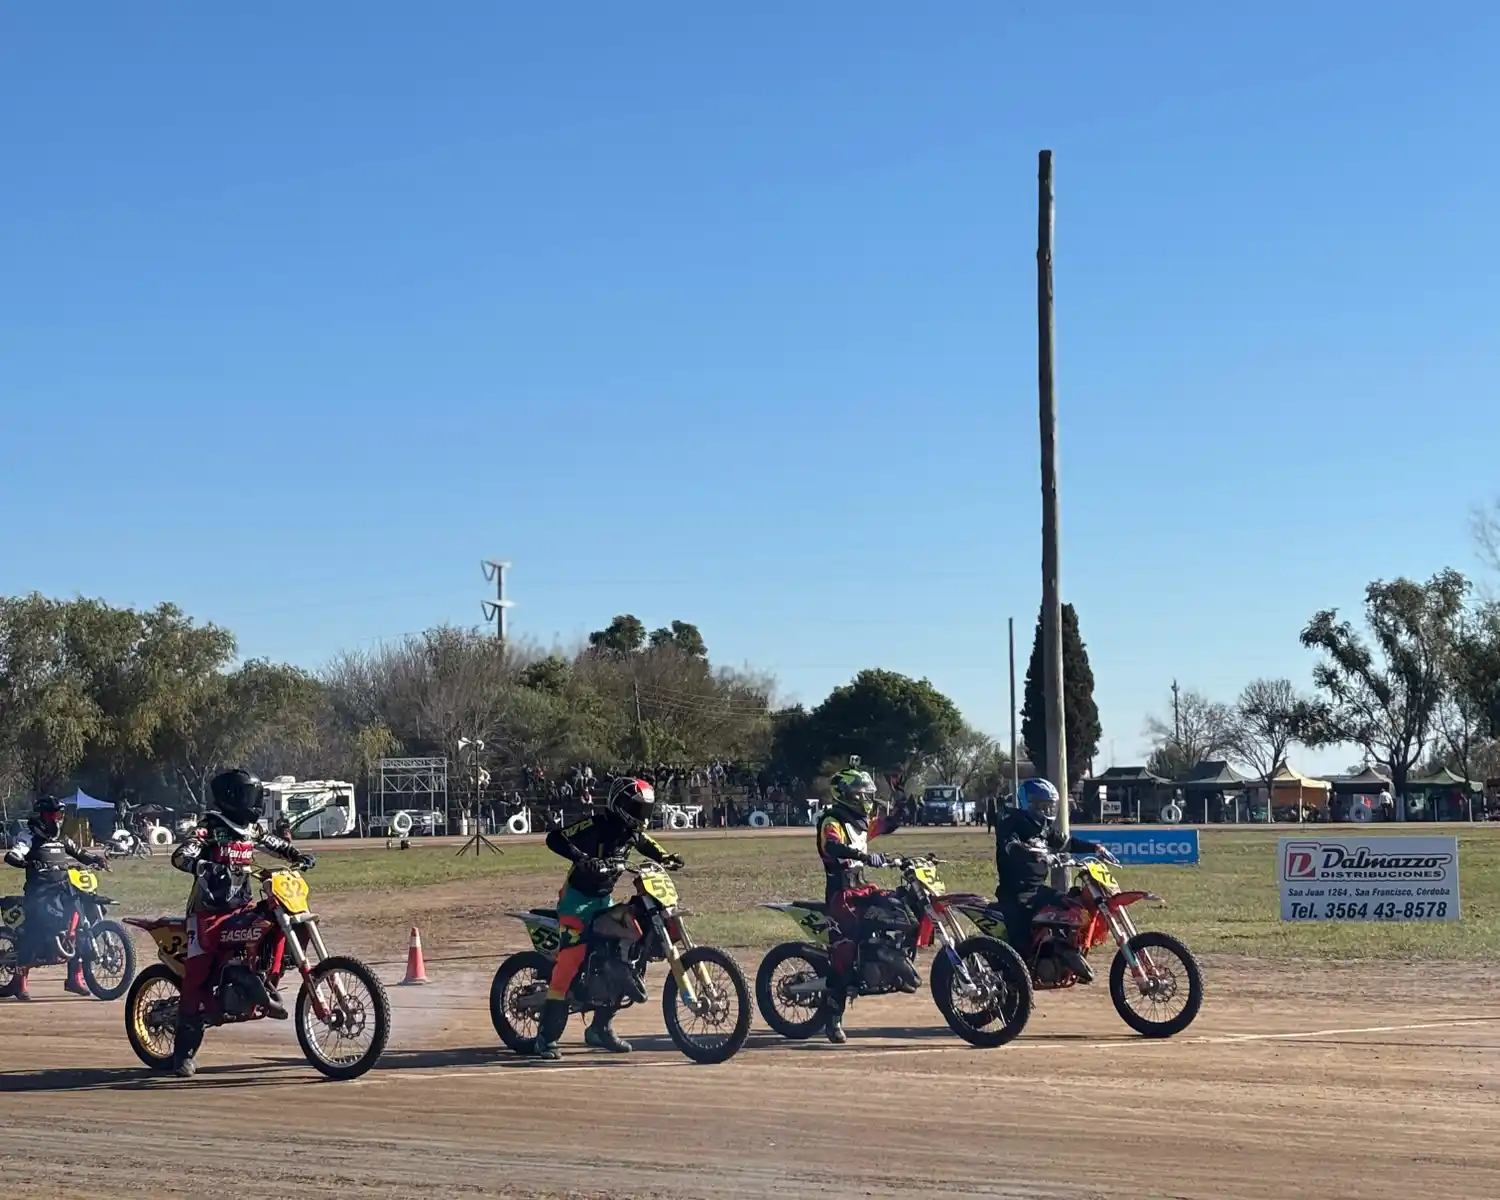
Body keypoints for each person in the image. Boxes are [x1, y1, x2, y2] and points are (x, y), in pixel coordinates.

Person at [525, 776, 684, 1060]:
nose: (641, 816)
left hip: (604, 901)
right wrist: (581, 857)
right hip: (577, 901)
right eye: (637, 809)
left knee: (632, 948)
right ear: (620, 805)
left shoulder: (631, 832)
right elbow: (555, 837)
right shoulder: (595, 826)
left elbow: (646, 843)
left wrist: (665, 856)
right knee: (571, 958)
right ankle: (545, 1038)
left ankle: (599, 1028)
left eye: (645, 810)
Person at [169, 768, 312, 1078]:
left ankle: (263, 978)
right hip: (206, 912)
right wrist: (203, 865)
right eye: (251, 796)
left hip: (241, 906)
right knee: (196, 975)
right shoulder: (211, 826)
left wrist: (296, 854)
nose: (256, 803)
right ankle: (183, 1053)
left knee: (275, 923)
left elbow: (273, 843)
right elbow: (182, 855)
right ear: (233, 797)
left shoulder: (250, 828)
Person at [992, 778, 1117, 982]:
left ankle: (1067, 956)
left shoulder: (1043, 829)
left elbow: (1066, 843)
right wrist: (1034, 854)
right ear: (1030, 804)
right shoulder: (1010, 822)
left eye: (1050, 806)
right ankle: (1011, 982)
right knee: (1020, 946)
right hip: (1015, 894)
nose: (1047, 810)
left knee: (1074, 909)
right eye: (1043, 805)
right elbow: (1011, 846)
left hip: (1038, 890)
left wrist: (1095, 848)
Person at [816, 766, 901, 1045]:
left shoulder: (861, 821)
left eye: (868, 795)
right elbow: (832, 847)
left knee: (897, 907)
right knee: (845, 951)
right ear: (846, 795)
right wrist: (864, 857)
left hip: (862, 887)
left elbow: (889, 823)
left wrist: (901, 796)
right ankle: (833, 1018)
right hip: (841, 892)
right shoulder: (832, 820)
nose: (866, 800)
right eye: (861, 794)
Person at [3, 796, 106, 1000]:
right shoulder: (29, 836)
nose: (57, 819)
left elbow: (80, 853)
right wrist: (26, 863)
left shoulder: (61, 838)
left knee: (77, 925)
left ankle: (75, 979)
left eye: (59, 815)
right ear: (42, 816)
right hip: (38, 892)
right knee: (34, 930)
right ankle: (21, 981)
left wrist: (96, 859)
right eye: (53, 814)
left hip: (63, 889)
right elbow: (14, 854)